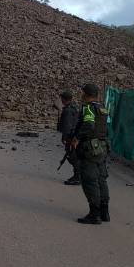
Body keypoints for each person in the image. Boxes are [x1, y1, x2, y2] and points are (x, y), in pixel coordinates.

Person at [70, 83, 110, 224]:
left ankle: (94, 214)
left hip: (90, 148)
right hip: (102, 147)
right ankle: (104, 212)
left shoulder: (88, 107)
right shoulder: (102, 108)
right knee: (101, 179)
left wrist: (76, 138)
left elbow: (89, 125)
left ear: (86, 94)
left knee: (90, 180)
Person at [56, 90, 80, 185]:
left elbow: (67, 126)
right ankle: (78, 176)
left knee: (73, 157)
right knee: (73, 156)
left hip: (71, 137)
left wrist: (65, 138)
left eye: (62, 98)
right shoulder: (73, 108)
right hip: (74, 136)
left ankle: (78, 177)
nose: (60, 100)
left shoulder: (68, 110)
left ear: (64, 99)